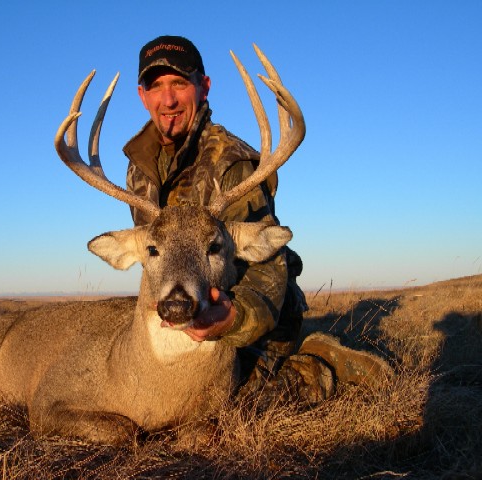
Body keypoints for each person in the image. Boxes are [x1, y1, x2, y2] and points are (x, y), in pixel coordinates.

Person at [123, 35, 393, 406]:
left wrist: (232, 319)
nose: (167, 100)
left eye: (179, 84)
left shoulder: (233, 164)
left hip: (250, 320)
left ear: (203, 87)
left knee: (226, 404)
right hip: (184, 309)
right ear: (142, 95)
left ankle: (319, 362)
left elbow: (269, 265)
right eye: (156, 86)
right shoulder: (139, 172)